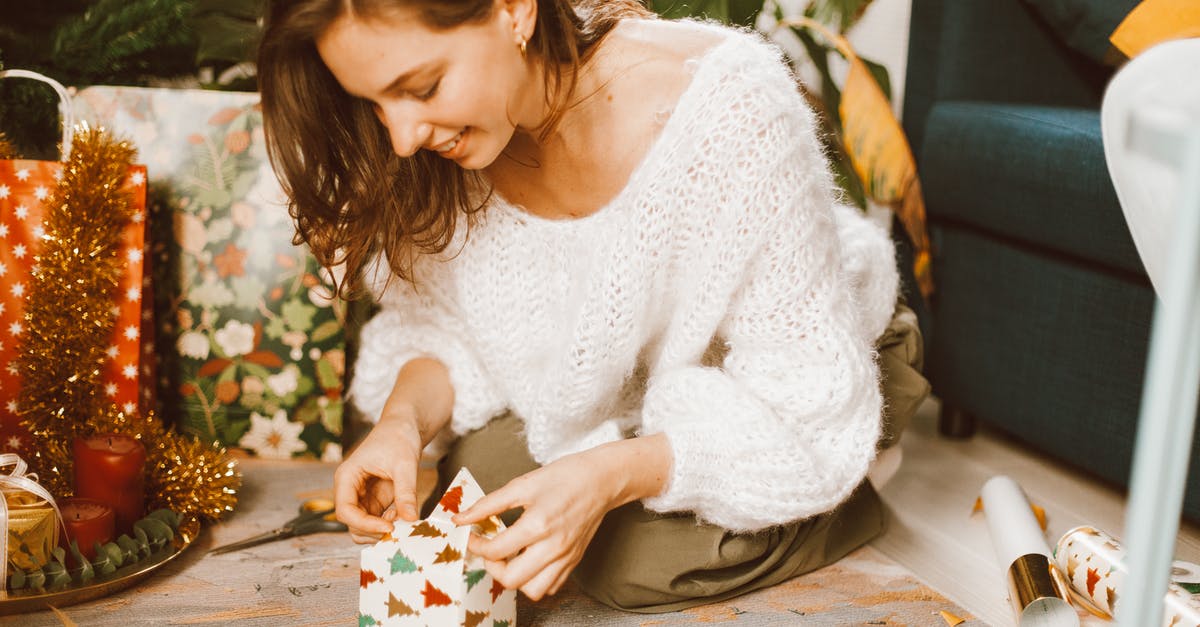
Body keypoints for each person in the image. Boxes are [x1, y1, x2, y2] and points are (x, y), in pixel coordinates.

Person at [258, 0, 929, 612]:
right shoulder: (438, 155)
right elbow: (450, 335)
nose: (401, 136)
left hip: (805, 375)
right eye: (374, 104)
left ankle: (848, 482)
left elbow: (805, 390)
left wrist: (609, 475)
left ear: (514, 11)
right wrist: (401, 425)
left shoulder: (730, 110)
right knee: (486, 496)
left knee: (626, 567)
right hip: (630, 388)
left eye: (422, 87)